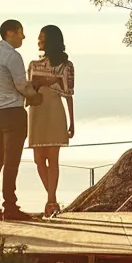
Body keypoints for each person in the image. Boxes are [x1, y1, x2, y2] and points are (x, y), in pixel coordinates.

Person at [0, 19, 47, 221]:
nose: (23, 37)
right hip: (13, 112)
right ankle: (10, 207)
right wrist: (35, 94)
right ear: (10, 33)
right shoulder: (12, 56)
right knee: (11, 163)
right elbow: (21, 86)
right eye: (20, 32)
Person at [27, 25, 76, 218]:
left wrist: (72, 122)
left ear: (51, 41)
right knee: (39, 159)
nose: (38, 41)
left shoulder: (66, 65)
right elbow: (27, 89)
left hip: (55, 112)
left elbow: (69, 94)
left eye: (41, 38)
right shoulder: (33, 65)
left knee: (52, 158)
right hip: (37, 112)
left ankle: (50, 202)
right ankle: (53, 200)